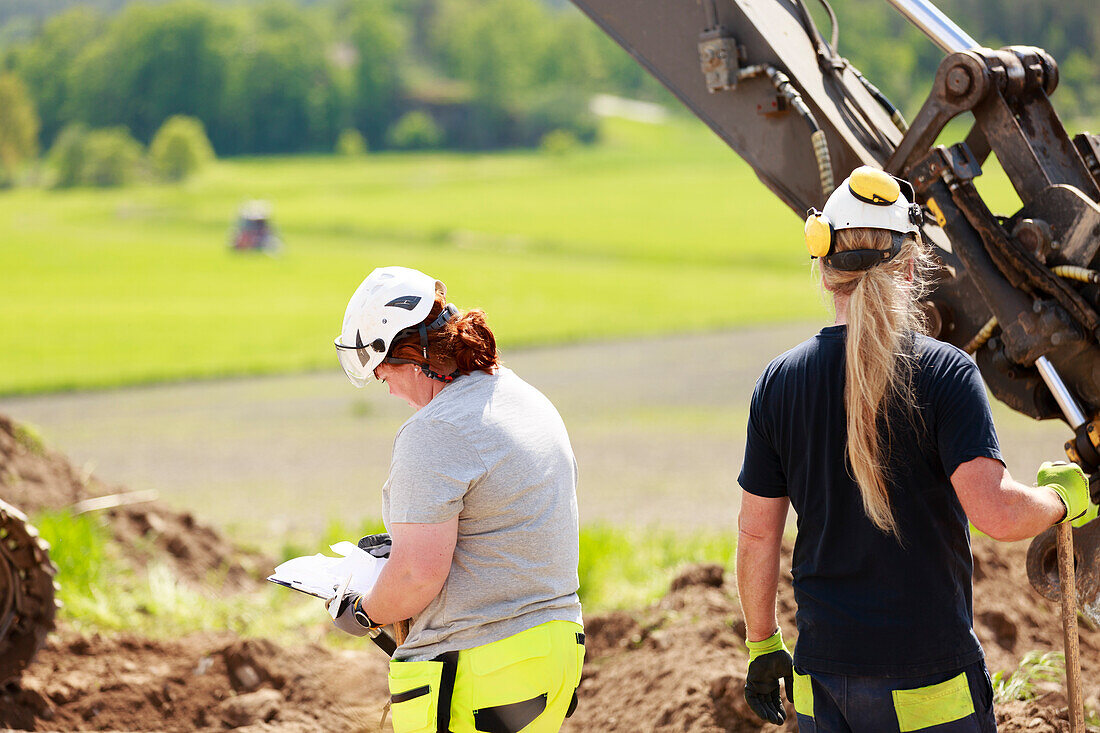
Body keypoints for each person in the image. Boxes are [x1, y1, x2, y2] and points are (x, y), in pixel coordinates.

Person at [735, 166, 1098, 731]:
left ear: (825, 269)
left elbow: (757, 533)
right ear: (909, 264)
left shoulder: (779, 382)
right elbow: (995, 513)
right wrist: (1062, 499)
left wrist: (761, 647)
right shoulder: (944, 372)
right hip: (930, 689)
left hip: (821, 686)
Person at [328, 265, 585, 733]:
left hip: (477, 671)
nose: (382, 379)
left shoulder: (436, 431)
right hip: (550, 655)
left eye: (380, 364)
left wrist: (361, 611)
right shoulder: (523, 398)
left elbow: (415, 577)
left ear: (411, 355)